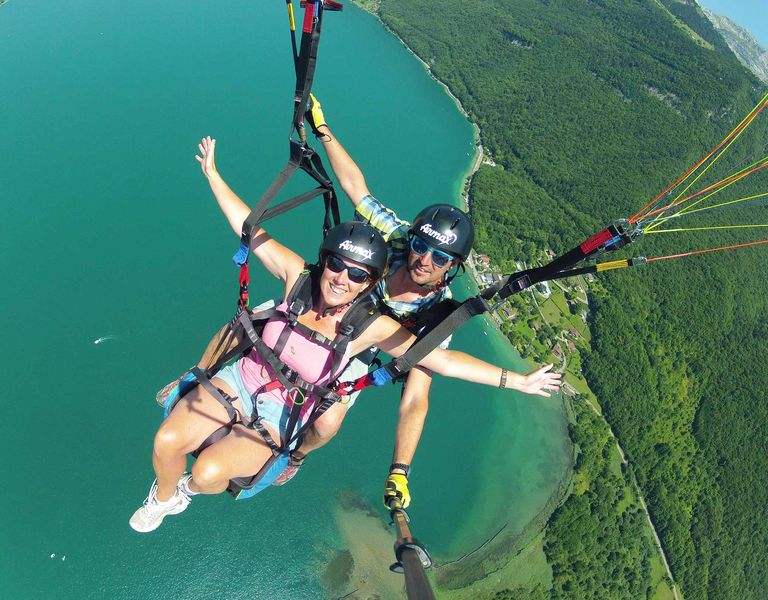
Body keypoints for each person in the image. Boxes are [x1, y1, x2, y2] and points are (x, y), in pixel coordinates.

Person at [130, 137, 561, 533]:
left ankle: (292, 457)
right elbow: (344, 193)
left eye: (357, 274)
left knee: (326, 419)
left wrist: (515, 381)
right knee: (243, 326)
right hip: (284, 340)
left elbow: (426, 380)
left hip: (349, 347)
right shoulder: (379, 248)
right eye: (336, 265)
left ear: (453, 265)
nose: (425, 259)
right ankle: (192, 390)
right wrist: (319, 132)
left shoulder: (432, 312)